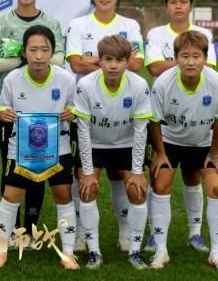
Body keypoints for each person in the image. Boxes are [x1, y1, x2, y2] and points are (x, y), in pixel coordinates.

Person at [0, 25, 79, 270]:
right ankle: (0, 251)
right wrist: (4, 113)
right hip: (21, 149)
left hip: (57, 148)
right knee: (10, 197)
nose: (39, 56)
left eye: (44, 50)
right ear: (24, 52)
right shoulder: (13, 78)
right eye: (33, 49)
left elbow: (76, 108)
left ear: (52, 52)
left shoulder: (65, 79)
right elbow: (2, 106)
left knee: (63, 196)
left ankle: (68, 253)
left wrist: (72, 113)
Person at [65, 0, 144, 252]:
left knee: (120, 177)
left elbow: (137, 64)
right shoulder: (78, 24)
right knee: (82, 175)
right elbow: (75, 64)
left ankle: (125, 234)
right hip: (86, 105)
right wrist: (114, 62)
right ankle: (81, 234)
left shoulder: (130, 25)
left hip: (122, 109)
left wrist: (94, 60)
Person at [0, 0, 65, 243]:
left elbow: (59, 60)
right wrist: (26, 56)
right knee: (11, 170)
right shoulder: (1, 22)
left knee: (38, 170)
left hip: (44, 112)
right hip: (9, 111)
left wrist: (23, 55)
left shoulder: (52, 23)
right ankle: (11, 229)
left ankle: (30, 229)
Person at [149, 31, 218, 271]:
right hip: (169, 141)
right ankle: (161, 250)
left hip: (204, 142)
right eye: (185, 56)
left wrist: (214, 152)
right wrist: (160, 153)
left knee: (217, 188)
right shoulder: (163, 83)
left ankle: (216, 252)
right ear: (176, 58)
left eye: (196, 56)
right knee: (160, 185)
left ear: (205, 58)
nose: (190, 62)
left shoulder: (217, 82)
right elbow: (153, 120)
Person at [143, 0, 217, 253]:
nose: (178, 6)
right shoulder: (156, 33)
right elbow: (153, 69)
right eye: (173, 2)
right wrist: (189, 61)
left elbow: (209, 68)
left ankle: (195, 234)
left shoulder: (204, 33)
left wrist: (175, 62)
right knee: (159, 178)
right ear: (166, 6)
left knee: (193, 177)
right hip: (164, 116)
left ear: (191, 5)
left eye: (183, 2)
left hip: (198, 116)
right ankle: (155, 234)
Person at [72, 35, 151, 270]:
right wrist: (88, 173)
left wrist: (137, 172)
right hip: (95, 143)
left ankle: (134, 251)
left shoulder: (139, 85)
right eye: (108, 59)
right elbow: (83, 131)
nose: (113, 66)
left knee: (137, 190)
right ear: (100, 60)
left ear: (128, 61)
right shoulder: (86, 85)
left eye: (119, 60)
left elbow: (140, 132)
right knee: (87, 189)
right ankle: (94, 251)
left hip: (126, 143)